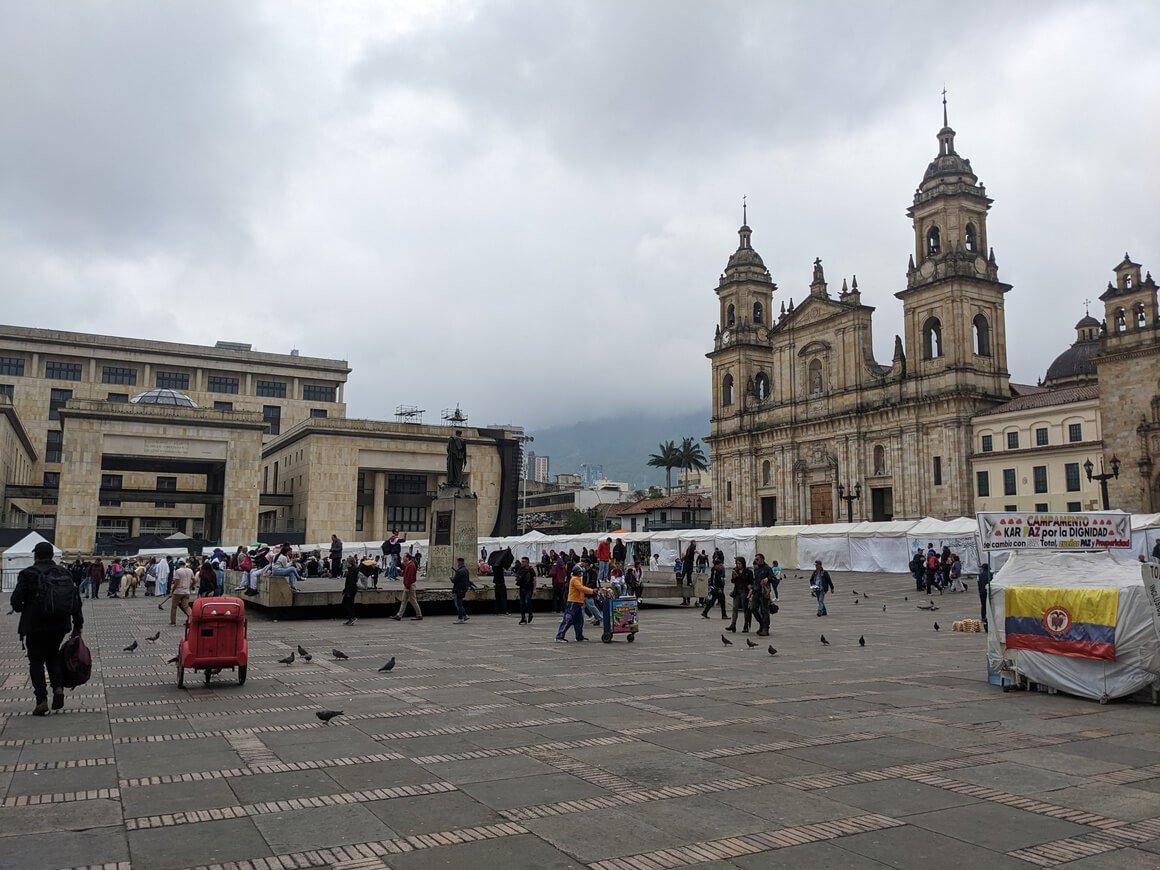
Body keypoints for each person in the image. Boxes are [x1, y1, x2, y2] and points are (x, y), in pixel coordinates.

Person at [10, 541, 84, 715]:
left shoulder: (28, 573)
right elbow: (75, 601)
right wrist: (78, 624)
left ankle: (41, 699)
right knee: (53, 656)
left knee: (36, 661)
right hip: (60, 624)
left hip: (35, 625)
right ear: (52, 555)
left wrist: (25, 608)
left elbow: (15, 601)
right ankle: (58, 688)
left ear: (36, 555)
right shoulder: (63, 572)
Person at [556, 566, 596, 642]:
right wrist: (592, 591)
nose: (581, 573)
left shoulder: (578, 579)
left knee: (579, 621)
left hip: (578, 602)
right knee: (568, 620)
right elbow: (581, 588)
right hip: (573, 603)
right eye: (580, 572)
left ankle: (579, 637)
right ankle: (559, 636)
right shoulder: (574, 579)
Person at [392, 553, 422, 621]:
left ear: (408, 558)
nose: (403, 558)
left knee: (413, 600)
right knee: (404, 600)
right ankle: (399, 615)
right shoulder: (409, 565)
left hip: (409, 585)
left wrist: (407, 587)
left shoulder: (411, 566)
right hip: (408, 585)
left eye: (404, 557)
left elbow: (409, 578)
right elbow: (406, 574)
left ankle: (419, 615)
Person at [727, 556, 753, 633]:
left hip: (744, 591)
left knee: (746, 609)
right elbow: (732, 581)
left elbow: (751, 582)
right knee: (735, 608)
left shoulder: (748, 572)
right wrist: (734, 577)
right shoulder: (735, 571)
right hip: (737, 591)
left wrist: (750, 587)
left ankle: (746, 625)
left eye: (740, 564)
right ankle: (733, 624)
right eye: (737, 564)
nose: (738, 565)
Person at [751, 553, 773, 636]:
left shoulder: (767, 568)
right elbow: (755, 579)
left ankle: (765, 628)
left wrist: (768, 578)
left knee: (765, 610)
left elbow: (774, 578)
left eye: (757, 559)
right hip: (756, 591)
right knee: (753, 608)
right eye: (755, 559)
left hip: (764, 592)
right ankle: (761, 623)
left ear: (762, 559)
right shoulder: (756, 568)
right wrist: (752, 588)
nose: (756, 561)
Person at [701, 555, 727, 619]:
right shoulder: (715, 572)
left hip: (718, 588)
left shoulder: (717, 571)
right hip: (717, 589)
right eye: (720, 565)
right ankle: (724, 615)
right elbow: (714, 581)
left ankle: (705, 612)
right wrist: (718, 588)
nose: (721, 567)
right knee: (722, 601)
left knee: (712, 601)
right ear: (716, 565)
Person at [489, 546, 513, 615]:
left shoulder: (494, 567)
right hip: (501, 584)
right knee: (503, 598)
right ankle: (504, 611)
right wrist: (507, 552)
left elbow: (500, 559)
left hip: (496, 584)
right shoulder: (499, 568)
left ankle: (496, 611)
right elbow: (504, 561)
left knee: (497, 598)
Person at [169, 559, 195, 625]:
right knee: (186, 606)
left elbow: (176, 582)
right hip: (186, 592)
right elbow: (194, 580)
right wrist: (190, 586)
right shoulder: (190, 570)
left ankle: (173, 622)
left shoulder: (178, 571)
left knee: (174, 607)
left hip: (178, 591)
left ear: (179, 565)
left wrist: (172, 590)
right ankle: (193, 618)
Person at [515, 556, 536, 624]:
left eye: (524, 562)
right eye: (522, 561)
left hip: (529, 589)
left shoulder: (531, 570)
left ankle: (530, 614)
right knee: (522, 604)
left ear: (527, 563)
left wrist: (534, 589)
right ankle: (523, 618)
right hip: (522, 588)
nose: (522, 563)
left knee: (527, 601)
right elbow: (517, 577)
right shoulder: (520, 569)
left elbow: (534, 580)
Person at [342, 556, 360, 626]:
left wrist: (348, 591)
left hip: (351, 590)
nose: (346, 563)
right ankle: (351, 617)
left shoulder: (352, 570)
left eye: (347, 562)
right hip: (350, 589)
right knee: (348, 603)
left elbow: (351, 582)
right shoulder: (352, 569)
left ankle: (352, 617)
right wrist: (345, 589)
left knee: (348, 603)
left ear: (350, 562)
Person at [451, 557, 470, 623]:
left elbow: (454, 581)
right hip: (463, 589)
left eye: (458, 562)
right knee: (460, 604)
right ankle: (465, 615)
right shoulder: (466, 570)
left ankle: (460, 618)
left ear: (460, 562)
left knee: (458, 604)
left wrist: (451, 578)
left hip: (458, 589)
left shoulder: (459, 571)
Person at [681, 540, 697, 605]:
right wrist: (701, 554)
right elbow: (695, 551)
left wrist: (682, 559)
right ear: (692, 543)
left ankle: (687, 582)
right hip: (688, 562)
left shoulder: (690, 547)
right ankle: (686, 581)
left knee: (687, 573)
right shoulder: (692, 547)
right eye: (694, 542)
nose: (695, 543)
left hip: (688, 561)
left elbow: (687, 554)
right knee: (686, 572)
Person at [977, 562, 992, 632]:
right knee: (990, 604)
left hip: (981, 592)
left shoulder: (979, 575)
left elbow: (979, 584)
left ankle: (983, 617)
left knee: (983, 605)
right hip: (988, 592)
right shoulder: (990, 574)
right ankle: (989, 616)